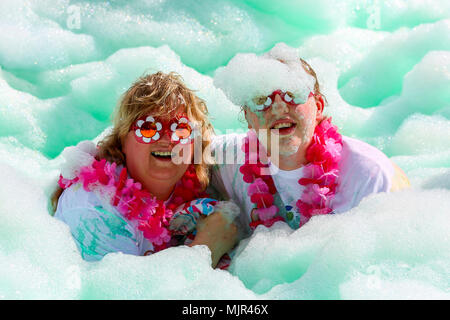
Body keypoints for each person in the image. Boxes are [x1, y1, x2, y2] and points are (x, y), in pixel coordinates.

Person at [210, 43, 410, 237]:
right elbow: (183, 149)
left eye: (292, 94)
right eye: (262, 99)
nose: (279, 108)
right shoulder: (230, 158)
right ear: (248, 118)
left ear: (319, 107)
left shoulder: (367, 175)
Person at [51, 72, 238, 268]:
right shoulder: (95, 210)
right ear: (123, 140)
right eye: (149, 128)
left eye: (180, 129)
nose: (167, 139)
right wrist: (207, 247)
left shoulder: (192, 183)